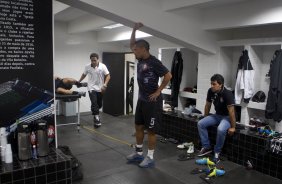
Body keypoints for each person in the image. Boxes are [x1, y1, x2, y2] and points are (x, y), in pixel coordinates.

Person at [126, 23, 172, 168]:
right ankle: (138, 153)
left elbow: (168, 75)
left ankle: (150, 157)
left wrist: (158, 91)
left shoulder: (154, 62)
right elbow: (132, 44)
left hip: (153, 101)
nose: (133, 52)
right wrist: (134, 30)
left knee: (151, 130)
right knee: (138, 127)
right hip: (142, 100)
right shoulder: (140, 59)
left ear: (143, 49)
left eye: (136, 50)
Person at [197, 74, 236, 163]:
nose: (212, 86)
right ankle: (206, 147)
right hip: (217, 115)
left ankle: (217, 152)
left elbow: (232, 112)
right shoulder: (210, 91)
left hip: (227, 117)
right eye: (211, 84)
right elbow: (208, 105)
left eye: (214, 84)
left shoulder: (227, 94)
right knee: (201, 123)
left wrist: (233, 127)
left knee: (221, 129)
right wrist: (206, 118)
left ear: (220, 84)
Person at [78, 53, 110, 128]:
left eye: (95, 60)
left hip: (100, 88)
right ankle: (96, 118)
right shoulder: (87, 66)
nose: (93, 62)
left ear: (98, 59)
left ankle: (96, 113)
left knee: (99, 104)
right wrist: (78, 81)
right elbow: (84, 74)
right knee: (94, 102)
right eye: (92, 60)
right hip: (91, 87)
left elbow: (108, 75)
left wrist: (105, 85)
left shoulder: (103, 66)